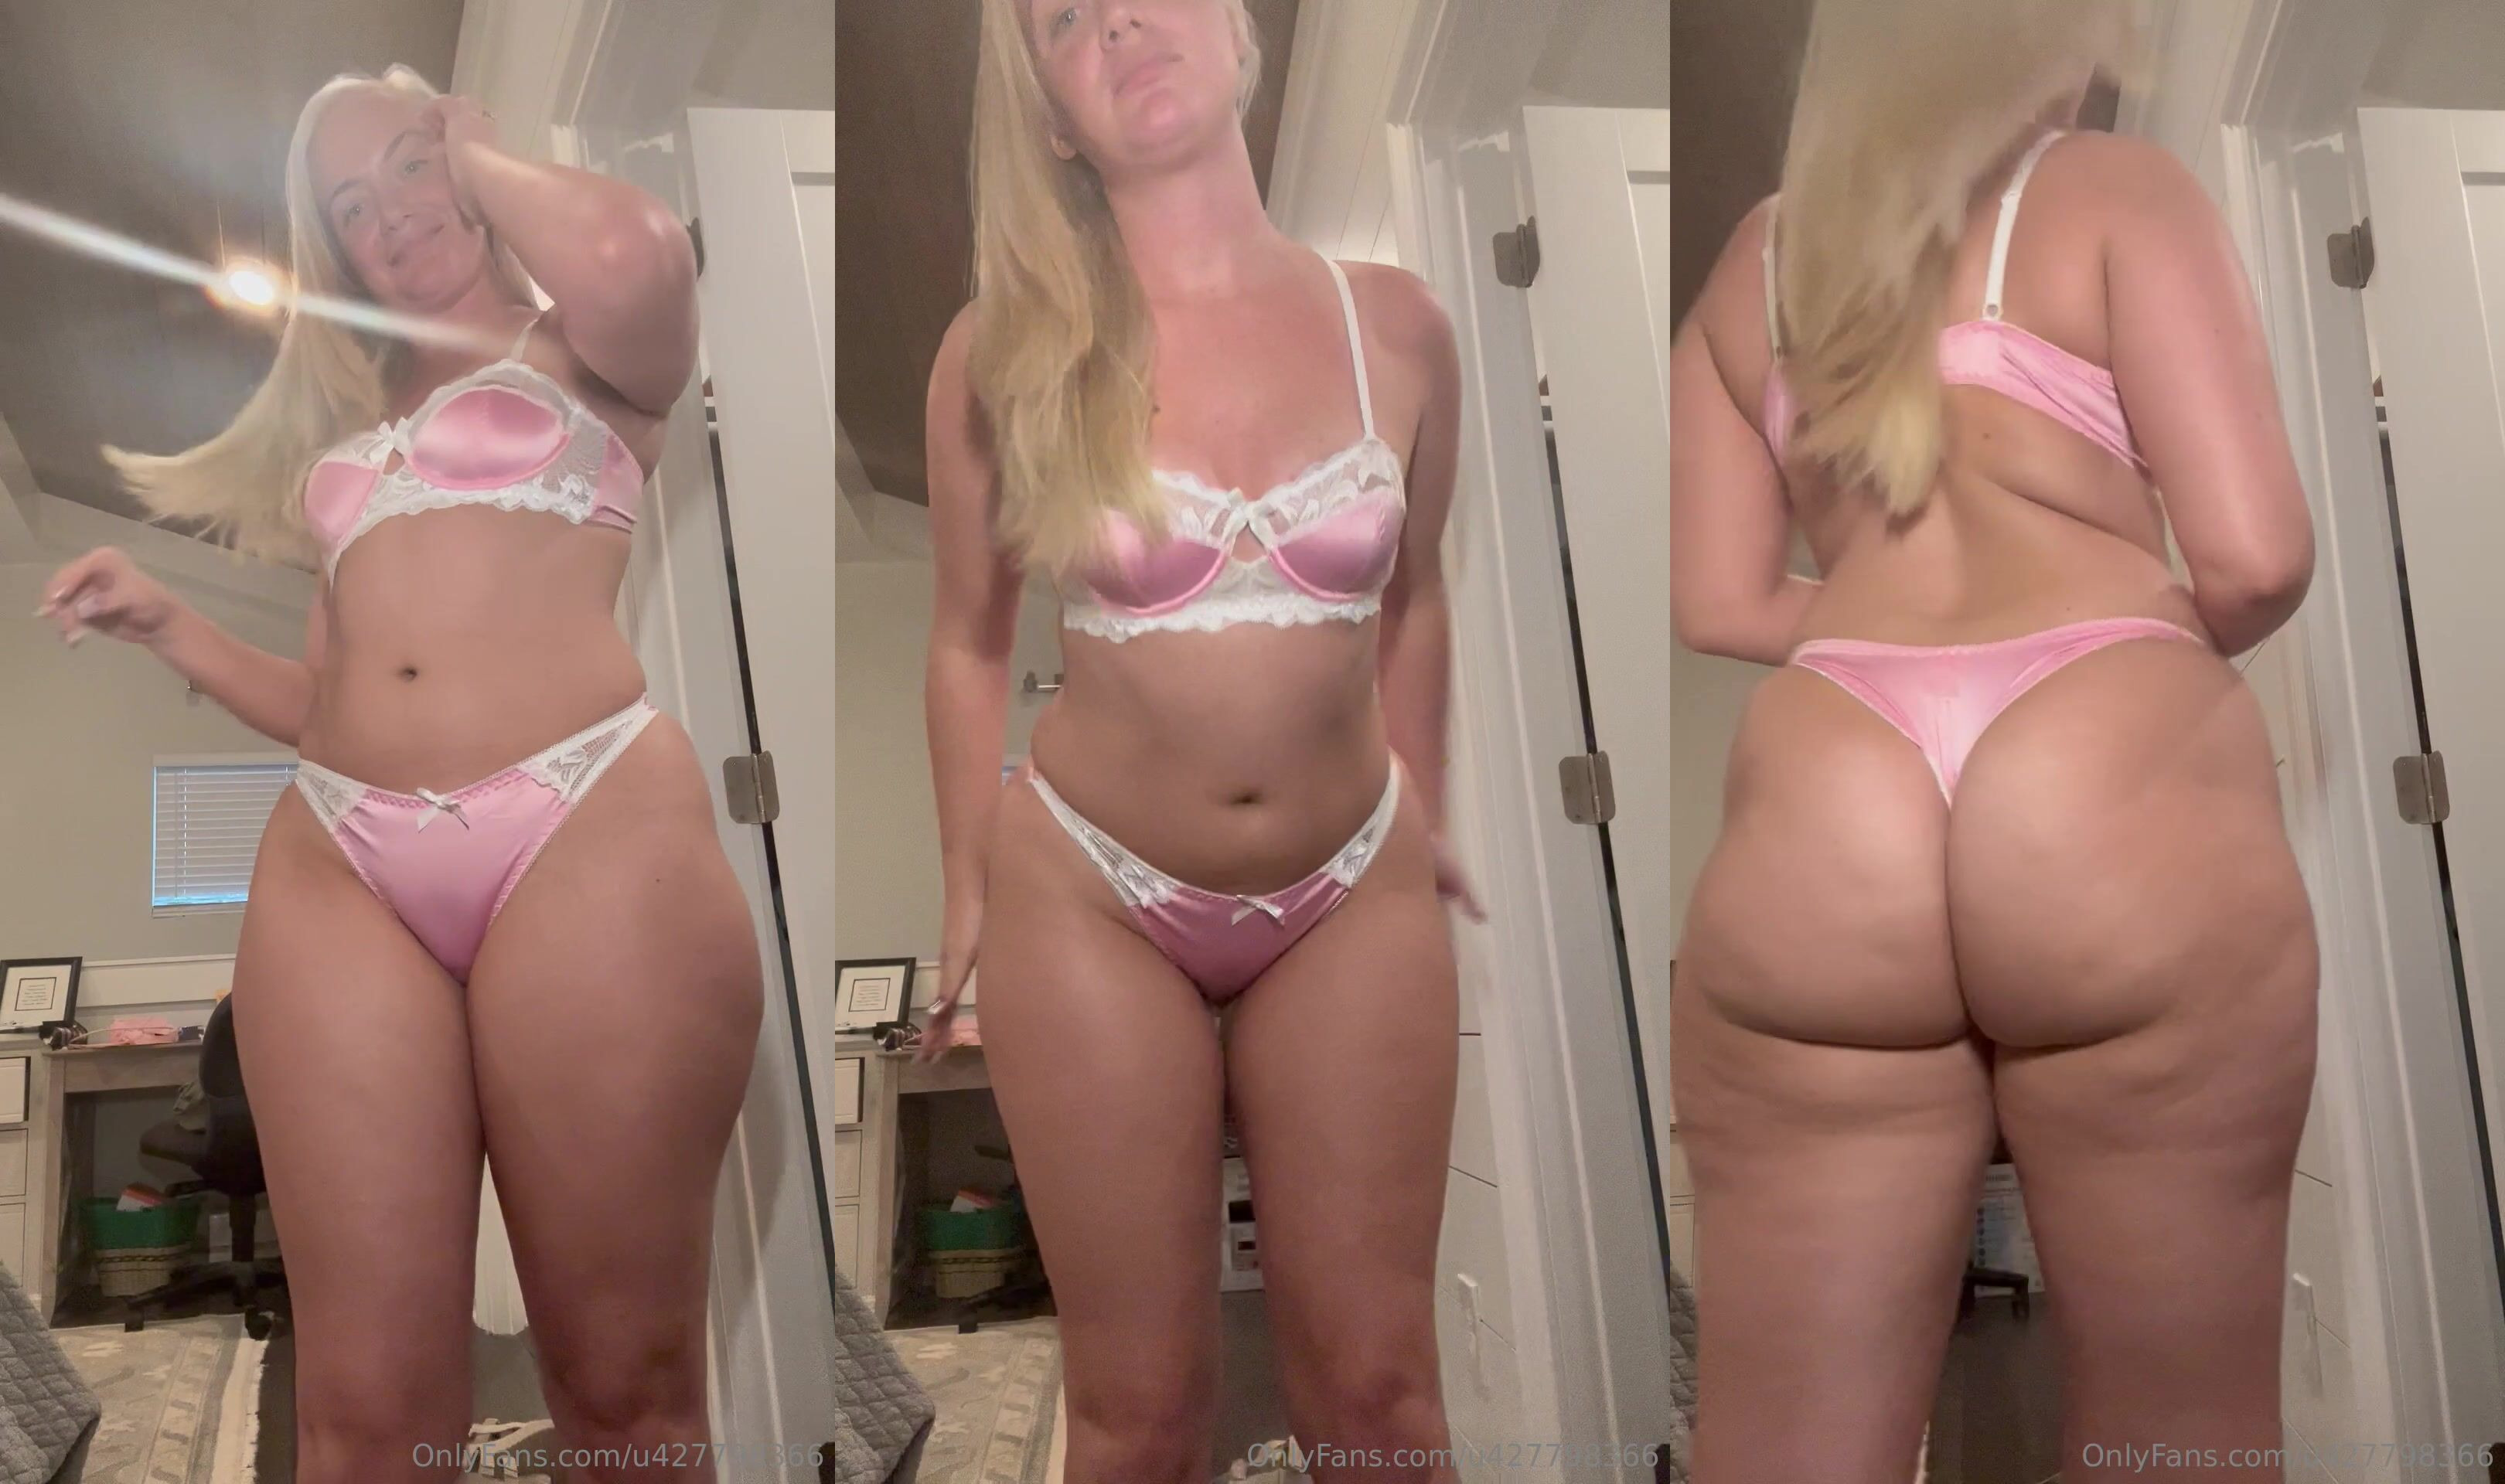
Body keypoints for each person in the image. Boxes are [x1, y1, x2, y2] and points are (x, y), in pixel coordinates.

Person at [36, 66, 758, 1484]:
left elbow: (638, 255)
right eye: (351, 208)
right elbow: (332, 701)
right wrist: (167, 624)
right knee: (365, 1413)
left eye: (409, 170)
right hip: (343, 856)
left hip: (583, 821)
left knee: (623, 1394)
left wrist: (476, 155)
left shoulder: (588, 349)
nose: (390, 217)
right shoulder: (347, 431)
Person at [1668, 2, 2318, 1478]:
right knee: (2180, 1444)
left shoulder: (1757, 264)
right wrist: (2110, 646)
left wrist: (1896, 639)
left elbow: (1719, 602)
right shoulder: (2113, 192)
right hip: (2099, 765)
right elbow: (2257, 556)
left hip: (1832, 788)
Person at [920, 2, 1477, 1479]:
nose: (1115, 18)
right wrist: (966, 880)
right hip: (1092, 894)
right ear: (1049, 114)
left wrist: (1427, 805)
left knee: (1382, 1400)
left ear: (1238, 30)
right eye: (1060, 20)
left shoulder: (1399, 325)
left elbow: (1418, 597)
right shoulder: (999, 355)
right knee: (1141, 1408)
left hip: (1351, 885)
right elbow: (968, 639)